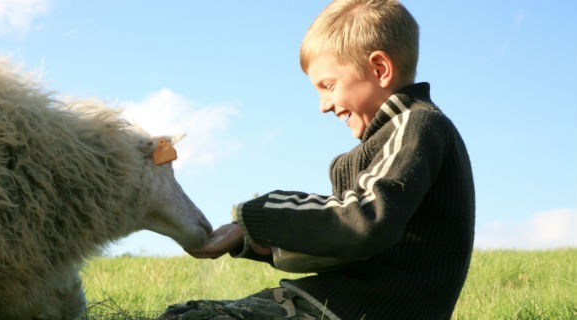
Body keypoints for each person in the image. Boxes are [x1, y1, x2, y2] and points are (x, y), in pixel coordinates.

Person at [157, 0, 475, 319]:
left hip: (361, 308)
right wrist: (255, 240)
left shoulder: (416, 126)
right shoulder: (386, 142)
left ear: (380, 69)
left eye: (329, 86)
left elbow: (363, 221)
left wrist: (254, 221)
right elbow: (341, 246)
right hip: (340, 303)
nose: (324, 105)